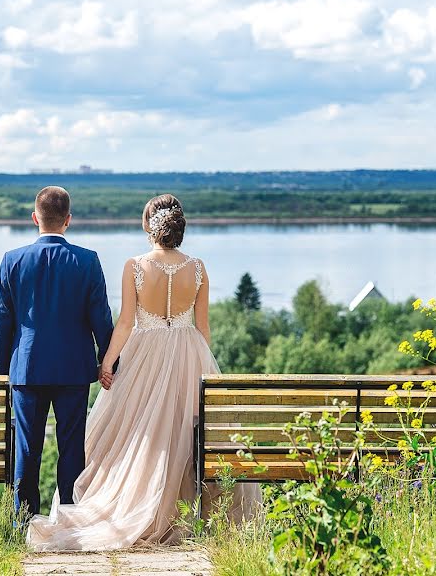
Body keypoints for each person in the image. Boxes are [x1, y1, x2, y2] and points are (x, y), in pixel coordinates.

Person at [28, 193, 262, 550]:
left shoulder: (135, 266)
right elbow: (204, 329)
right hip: (189, 355)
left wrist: (106, 363)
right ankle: (186, 513)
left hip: (144, 355)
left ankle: (136, 505)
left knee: (133, 435)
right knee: (183, 434)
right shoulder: (198, 268)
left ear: (148, 225)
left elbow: (124, 323)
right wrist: (202, 367)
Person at [0, 186, 115, 517]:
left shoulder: (12, 261)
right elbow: (101, 319)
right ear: (68, 220)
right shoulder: (87, 261)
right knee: (71, 448)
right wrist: (109, 363)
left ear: (35, 218)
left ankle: (24, 523)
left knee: (27, 450)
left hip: (26, 369)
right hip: (73, 369)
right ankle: (69, 520)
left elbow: (2, 323)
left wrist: (3, 373)